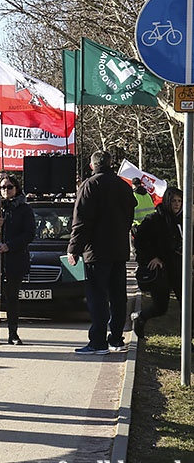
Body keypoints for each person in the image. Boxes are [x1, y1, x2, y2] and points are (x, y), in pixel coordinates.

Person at [67, 150, 136, 354]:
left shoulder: (89, 185)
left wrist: (74, 248)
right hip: (119, 250)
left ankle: (98, 342)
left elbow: (81, 221)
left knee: (97, 296)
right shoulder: (123, 186)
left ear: (91, 166)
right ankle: (116, 338)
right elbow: (129, 216)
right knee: (117, 296)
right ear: (110, 164)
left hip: (96, 252)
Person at [0, 175, 35, 345]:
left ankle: (13, 333)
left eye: (9, 187)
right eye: (2, 187)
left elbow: (29, 234)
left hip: (14, 259)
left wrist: (10, 245)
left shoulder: (24, 209)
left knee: (12, 297)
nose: (6, 191)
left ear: (16, 188)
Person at [131, 187, 183, 338]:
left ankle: (188, 339)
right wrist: (151, 257)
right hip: (161, 270)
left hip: (179, 268)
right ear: (167, 201)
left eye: (179, 201)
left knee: (187, 305)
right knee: (161, 307)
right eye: (173, 201)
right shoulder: (155, 219)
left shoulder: (184, 220)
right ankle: (141, 318)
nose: (177, 204)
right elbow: (140, 241)